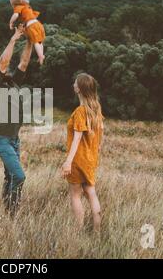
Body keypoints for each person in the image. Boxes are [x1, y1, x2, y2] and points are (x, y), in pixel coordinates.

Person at [0, 25, 32, 216]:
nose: (3, 70)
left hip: (14, 140)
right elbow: (3, 63)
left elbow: (24, 63)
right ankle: (12, 213)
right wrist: (13, 39)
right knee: (19, 176)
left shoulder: (12, 83)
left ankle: (7, 210)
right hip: (2, 140)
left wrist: (31, 40)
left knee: (9, 177)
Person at [61, 73, 104, 232]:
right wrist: (96, 149)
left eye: (75, 82)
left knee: (75, 195)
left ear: (79, 89)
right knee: (91, 193)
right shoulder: (96, 109)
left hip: (78, 159)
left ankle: (78, 232)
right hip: (91, 159)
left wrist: (68, 162)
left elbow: (77, 138)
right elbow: (101, 133)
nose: (73, 84)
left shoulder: (80, 111)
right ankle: (97, 232)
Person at [9, 0, 46, 65]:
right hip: (38, 23)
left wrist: (11, 22)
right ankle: (41, 55)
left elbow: (15, 15)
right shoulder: (26, 6)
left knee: (35, 42)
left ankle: (41, 56)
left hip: (32, 25)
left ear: (14, 3)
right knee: (39, 41)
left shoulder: (18, 7)